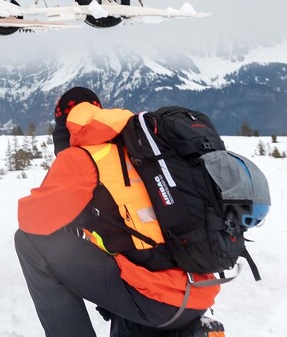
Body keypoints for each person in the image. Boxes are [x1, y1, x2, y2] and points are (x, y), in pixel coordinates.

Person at [15, 87, 223, 337]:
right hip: (198, 291)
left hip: (156, 297)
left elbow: (31, 221)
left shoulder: (83, 157)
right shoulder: (143, 149)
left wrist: (63, 162)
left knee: (28, 242)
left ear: (66, 127)